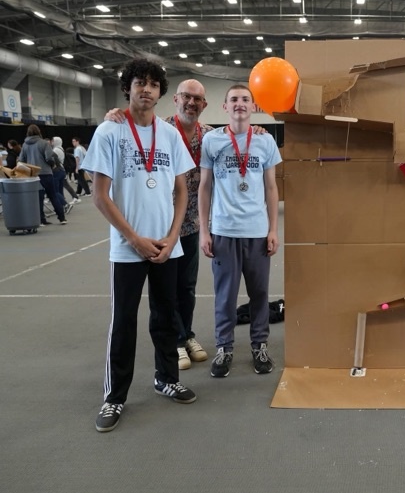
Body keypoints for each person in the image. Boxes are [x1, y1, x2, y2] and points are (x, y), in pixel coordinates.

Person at [105, 81, 268, 371]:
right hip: (158, 223)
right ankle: (176, 343)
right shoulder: (160, 129)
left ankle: (186, 335)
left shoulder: (209, 135)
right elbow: (134, 120)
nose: (192, 103)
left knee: (185, 287)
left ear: (205, 105)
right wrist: (114, 114)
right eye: (186, 97)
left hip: (191, 223)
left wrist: (258, 129)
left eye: (198, 99)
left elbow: (236, 141)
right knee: (162, 293)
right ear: (176, 99)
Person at [83, 57, 197, 433]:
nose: (145, 89)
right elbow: (100, 195)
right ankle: (114, 397)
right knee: (124, 323)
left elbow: (182, 190)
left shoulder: (169, 135)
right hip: (127, 248)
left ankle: (166, 378)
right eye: (139, 83)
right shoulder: (109, 131)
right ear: (127, 88)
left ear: (161, 92)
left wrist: (173, 236)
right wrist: (133, 238)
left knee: (167, 318)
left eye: (152, 84)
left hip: (167, 246)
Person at [198, 84, 281, 378]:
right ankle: (225, 348)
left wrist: (273, 229)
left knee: (259, 293)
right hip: (223, 231)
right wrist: (204, 231)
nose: (239, 104)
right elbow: (205, 187)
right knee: (225, 295)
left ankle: (259, 346)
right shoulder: (212, 140)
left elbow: (272, 188)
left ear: (254, 106)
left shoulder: (265, 141)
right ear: (225, 107)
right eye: (234, 99)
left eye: (245, 99)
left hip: (257, 232)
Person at [17, 124, 67, 225]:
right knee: (53, 195)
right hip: (46, 173)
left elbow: (21, 160)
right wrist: (52, 165)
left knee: (38, 198)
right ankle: (61, 218)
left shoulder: (25, 145)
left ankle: (41, 220)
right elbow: (49, 158)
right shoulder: (44, 143)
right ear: (39, 131)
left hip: (33, 175)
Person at [51, 136, 80, 211]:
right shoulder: (61, 148)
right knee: (62, 187)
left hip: (57, 170)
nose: (52, 142)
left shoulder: (55, 150)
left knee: (57, 189)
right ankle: (63, 201)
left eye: (53, 141)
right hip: (62, 169)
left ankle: (66, 202)